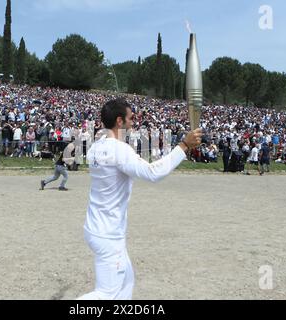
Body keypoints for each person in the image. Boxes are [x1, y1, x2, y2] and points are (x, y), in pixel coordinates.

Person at [77, 99, 202, 300]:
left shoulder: (95, 147)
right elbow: (153, 173)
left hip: (97, 229)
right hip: (108, 234)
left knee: (127, 282)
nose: (134, 122)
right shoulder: (119, 149)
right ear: (119, 121)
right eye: (131, 118)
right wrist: (184, 145)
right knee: (106, 294)